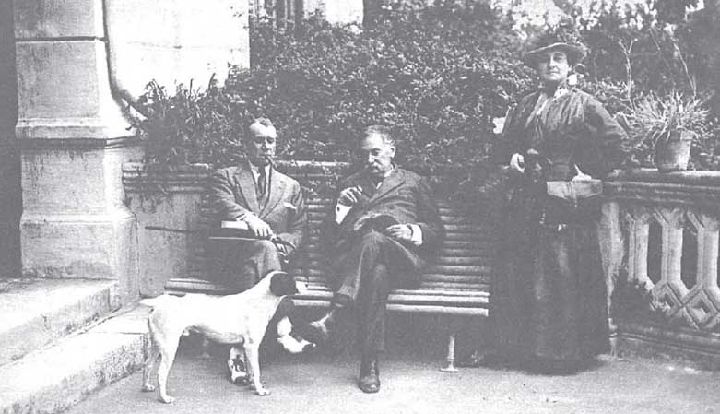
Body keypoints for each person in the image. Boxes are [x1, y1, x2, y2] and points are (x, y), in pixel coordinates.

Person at [490, 33, 629, 372]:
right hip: (525, 198)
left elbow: (618, 144)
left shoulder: (585, 104)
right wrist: (512, 159)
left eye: (559, 59)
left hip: (564, 199)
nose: (551, 64)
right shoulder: (525, 104)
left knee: (561, 272)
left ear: (569, 66)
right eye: (545, 59)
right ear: (537, 67)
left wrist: (589, 173)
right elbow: (503, 148)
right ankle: (524, 351)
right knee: (523, 271)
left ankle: (563, 355)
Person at [310, 125, 443, 393]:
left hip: (402, 260)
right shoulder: (350, 184)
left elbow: (437, 231)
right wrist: (341, 208)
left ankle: (339, 309)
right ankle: (368, 365)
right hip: (360, 265)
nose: (369, 160)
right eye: (364, 155)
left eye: (375, 153)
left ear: (392, 151)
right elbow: (327, 240)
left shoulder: (414, 182)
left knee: (373, 239)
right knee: (377, 273)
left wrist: (411, 231)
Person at [208, 117, 306, 290]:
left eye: (270, 141)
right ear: (246, 145)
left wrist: (278, 245)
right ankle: (278, 302)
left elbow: (298, 229)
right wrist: (248, 218)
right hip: (234, 260)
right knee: (260, 254)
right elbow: (222, 203)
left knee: (262, 255)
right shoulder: (226, 177)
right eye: (259, 141)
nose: (266, 146)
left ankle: (253, 306)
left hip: (274, 256)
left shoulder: (291, 186)